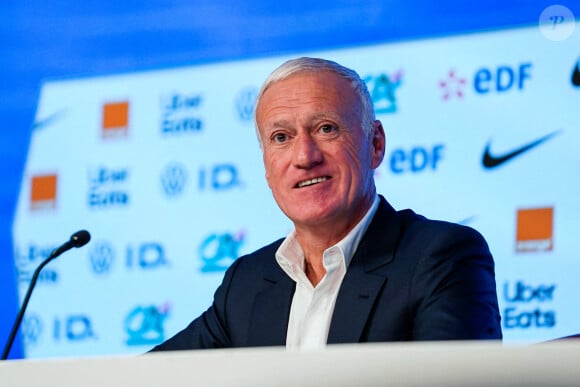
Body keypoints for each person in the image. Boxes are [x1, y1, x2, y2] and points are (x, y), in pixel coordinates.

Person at [150, 57, 502, 352]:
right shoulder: (248, 282)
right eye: (281, 138)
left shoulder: (442, 258)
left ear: (375, 144)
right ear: (267, 166)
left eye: (326, 129)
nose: (304, 156)